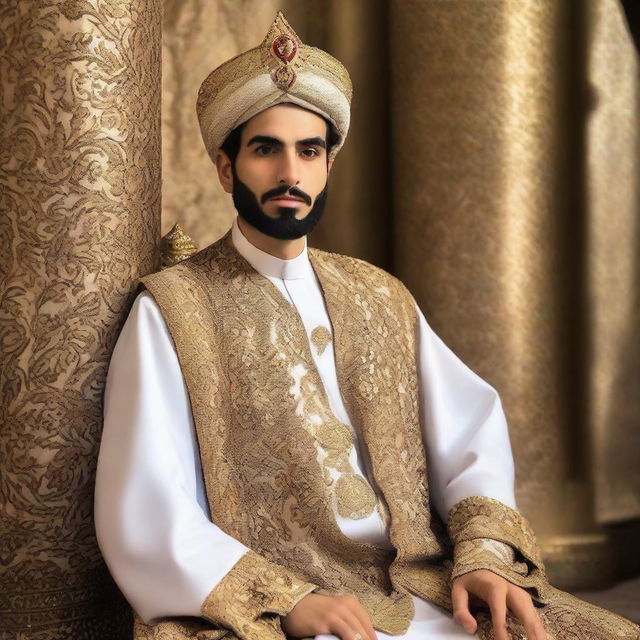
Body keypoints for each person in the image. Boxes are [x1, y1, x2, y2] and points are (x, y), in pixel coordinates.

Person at [94, 12, 639, 640]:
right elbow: (145, 505)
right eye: (265, 149)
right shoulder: (171, 309)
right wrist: (287, 600)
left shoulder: (380, 296)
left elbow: (470, 435)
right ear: (226, 169)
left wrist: (484, 556)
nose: (289, 174)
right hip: (285, 610)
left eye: (310, 151)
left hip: (423, 586)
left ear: (329, 167)